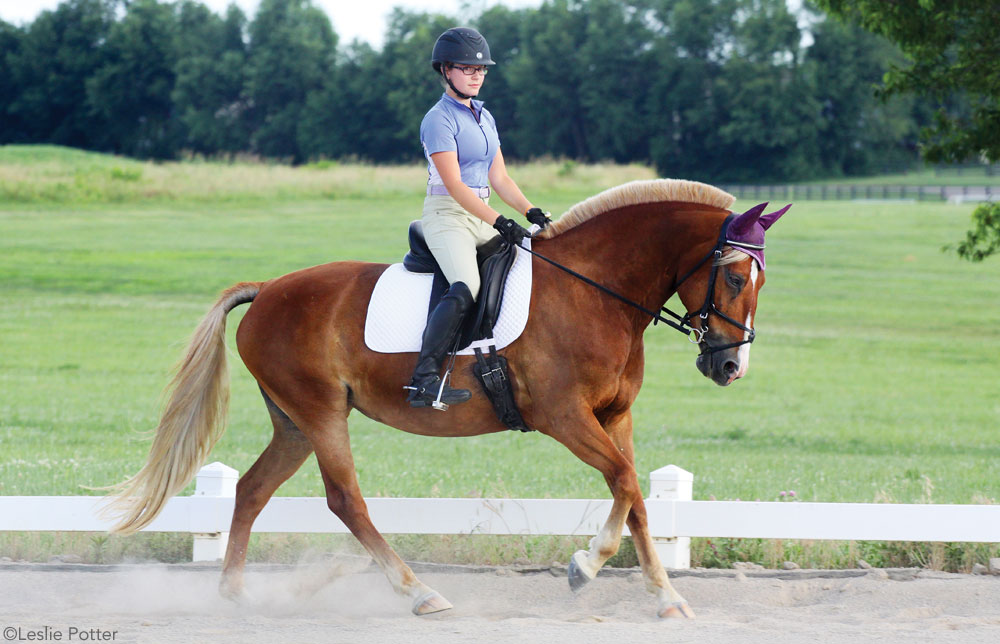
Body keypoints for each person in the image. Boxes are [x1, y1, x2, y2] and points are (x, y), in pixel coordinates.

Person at [405, 26, 551, 409]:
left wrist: (529, 210)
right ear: (446, 70)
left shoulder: (484, 116)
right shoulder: (438, 120)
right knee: (466, 283)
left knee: (526, 265)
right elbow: (454, 185)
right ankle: (424, 380)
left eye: (481, 69)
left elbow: (499, 176)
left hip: (481, 213)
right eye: (468, 68)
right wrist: (500, 220)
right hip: (448, 215)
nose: (476, 75)